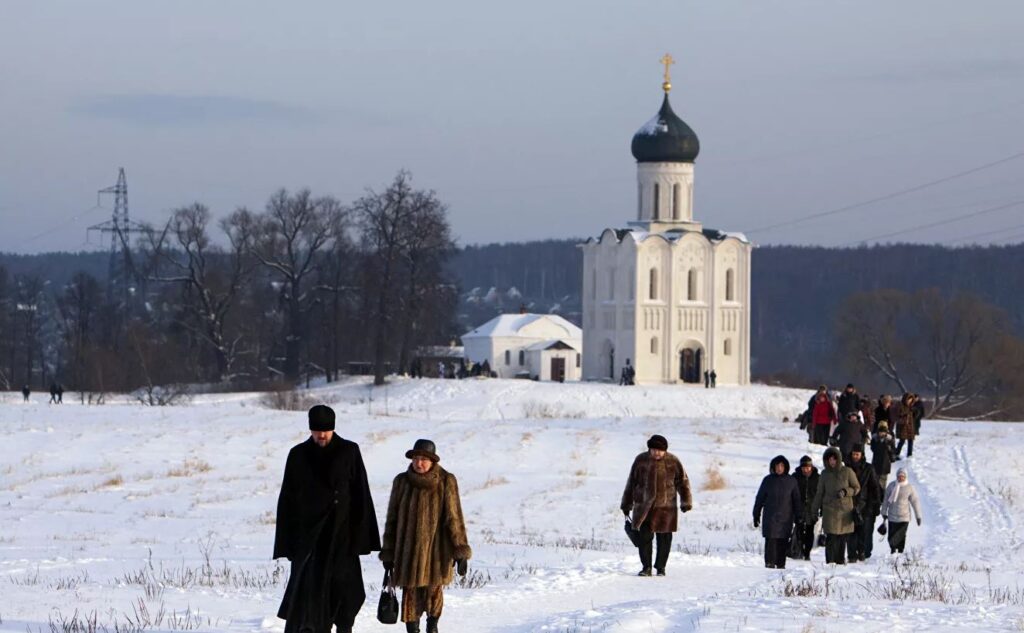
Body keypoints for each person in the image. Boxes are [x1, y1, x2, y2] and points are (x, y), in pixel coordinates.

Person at [273, 405, 381, 633]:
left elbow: (361, 494)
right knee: (308, 594)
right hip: (310, 538)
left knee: (344, 591)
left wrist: (361, 539)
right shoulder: (298, 455)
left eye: (325, 430)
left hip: (341, 536)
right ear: (310, 429)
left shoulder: (349, 451)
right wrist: (288, 543)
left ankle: (344, 629)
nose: (321, 435)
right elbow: (287, 501)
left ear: (333, 428)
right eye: (316, 430)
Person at [381, 439, 471, 633]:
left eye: (423, 459)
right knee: (410, 597)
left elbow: (454, 518)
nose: (418, 463)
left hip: (436, 553)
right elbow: (392, 520)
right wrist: (388, 553)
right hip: (408, 553)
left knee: (433, 595)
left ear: (432, 461)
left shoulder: (446, 480)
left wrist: (460, 550)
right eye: (415, 458)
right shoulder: (402, 481)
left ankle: (433, 627)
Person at [621, 434, 692, 576]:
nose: (656, 453)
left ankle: (661, 567)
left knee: (664, 539)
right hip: (643, 508)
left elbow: (683, 482)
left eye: (659, 450)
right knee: (644, 538)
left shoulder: (673, 461)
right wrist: (626, 504)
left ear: (665, 450)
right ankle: (646, 567)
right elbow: (631, 483)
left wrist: (686, 501)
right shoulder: (640, 460)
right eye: (653, 450)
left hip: (666, 509)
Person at [812, 447, 860, 565]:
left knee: (842, 538)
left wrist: (846, 492)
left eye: (834, 459)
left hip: (845, 510)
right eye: (830, 460)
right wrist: (814, 509)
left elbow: (856, 488)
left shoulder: (847, 471)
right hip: (830, 510)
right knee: (831, 538)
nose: (832, 462)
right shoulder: (824, 474)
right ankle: (830, 562)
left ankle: (840, 561)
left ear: (838, 459)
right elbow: (819, 493)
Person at [753, 455, 802, 569]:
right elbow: (759, 498)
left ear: (786, 467)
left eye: (782, 466)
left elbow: (797, 500)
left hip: (785, 518)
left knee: (782, 543)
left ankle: (780, 568)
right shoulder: (767, 480)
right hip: (770, 518)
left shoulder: (791, 481)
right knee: (770, 543)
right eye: (777, 466)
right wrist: (756, 514)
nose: (779, 468)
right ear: (773, 467)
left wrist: (799, 516)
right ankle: (769, 566)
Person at [846, 444, 882, 561]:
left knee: (864, 532)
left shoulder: (869, 468)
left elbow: (875, 487)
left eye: (857, 454)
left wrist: (876, 505)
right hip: (850, 504)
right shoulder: (847, 468)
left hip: (866, 504)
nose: (855, 456)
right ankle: (851, 555)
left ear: (862, 455)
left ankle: (862, 553)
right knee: (851, 532)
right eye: (853, 454)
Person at [880, 468, 922, 554]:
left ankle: (900, 551)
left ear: (905, 477)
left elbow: (915, 501)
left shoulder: (909, 488)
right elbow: (886, 500)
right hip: (892, 516)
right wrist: (883, 512)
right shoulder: (891, 486)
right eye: (899, 476)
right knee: (891, 535)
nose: (900, 478)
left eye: (902, 476)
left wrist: (918, 516)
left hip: (904, 517)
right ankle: (892, 550)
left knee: (901, 535)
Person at [792, 455, 820, 560]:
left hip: (812, 509)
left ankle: (807, 552)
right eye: (804, 468)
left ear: (811, 467)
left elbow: (820, 494)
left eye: (808, 467)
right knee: (798, 530)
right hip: (798, 508)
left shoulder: (817, 477)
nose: (806, 470)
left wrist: (820, 508)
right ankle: (798, 550)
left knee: (809, 531)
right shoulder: (795, 477)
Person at [870, 421, 897, 489]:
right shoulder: (875, 438)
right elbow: (873, 448)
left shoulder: (890, 439)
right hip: (876, 462)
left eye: (884, 432)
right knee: (874, 480)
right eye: (881, 432)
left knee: (882, 482)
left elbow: (893, 450)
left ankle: (881, 495)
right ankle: (876, 495)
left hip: (885, 463)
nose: (882, 433)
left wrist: (889, 448)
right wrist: (879, 443)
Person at [893, 393, 917, 459]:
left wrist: (915, 413)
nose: (910, 401)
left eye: (911, 399)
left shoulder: (911, 406)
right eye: (909, 399)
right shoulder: (900, 405)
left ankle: (909, 455)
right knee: (902, 441)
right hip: (902, 426)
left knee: (910, 440)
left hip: (910, 426)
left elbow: (914, 417)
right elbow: (897, 415)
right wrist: (905, 414)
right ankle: (896, 454)